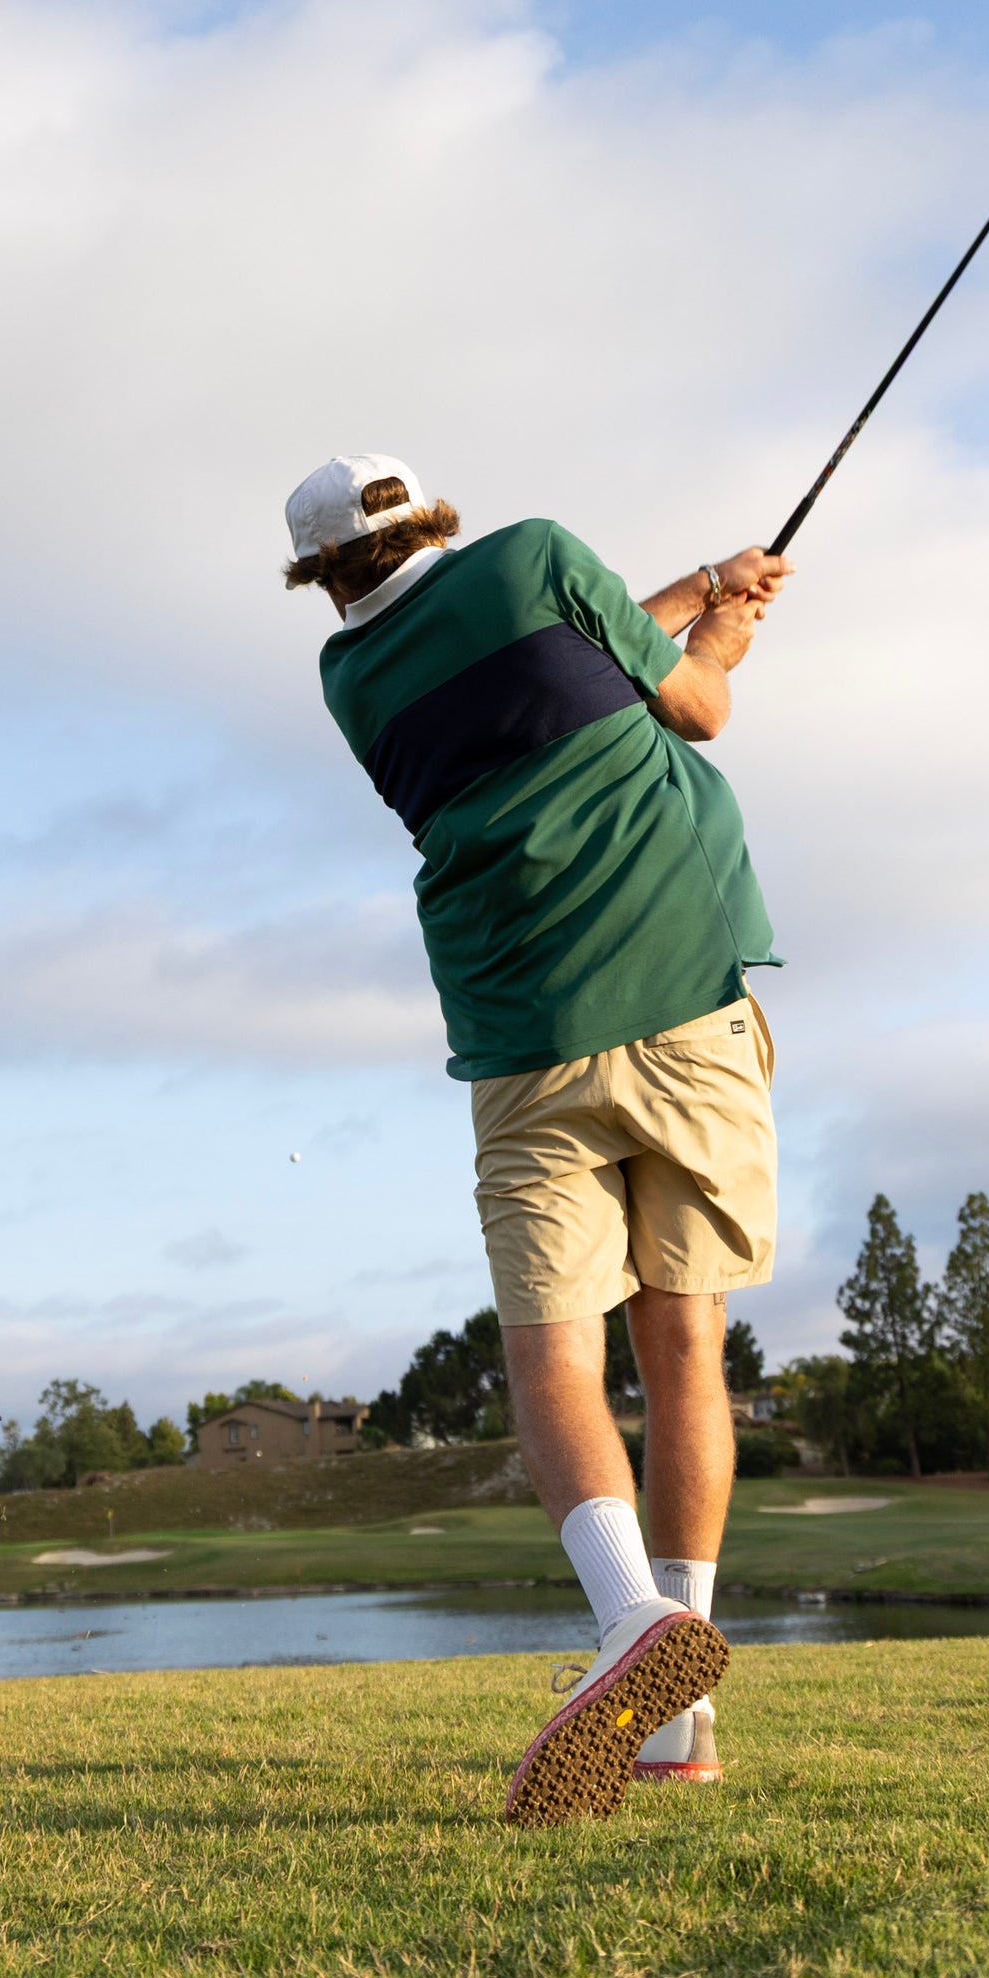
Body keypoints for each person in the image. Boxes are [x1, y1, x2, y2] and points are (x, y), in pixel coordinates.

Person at [284, 453, 791, 1825]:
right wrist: (725, 626)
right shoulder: (536, 553)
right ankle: (664, 1684)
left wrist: (699, 578)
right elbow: (689, 706)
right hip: (687, 999)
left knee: (550, 1348)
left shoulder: (352, 684)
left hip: (520, 1038)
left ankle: (642, 1646)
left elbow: (549, 645)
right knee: (684, 1345)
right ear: (434, 516)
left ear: (322, 572)